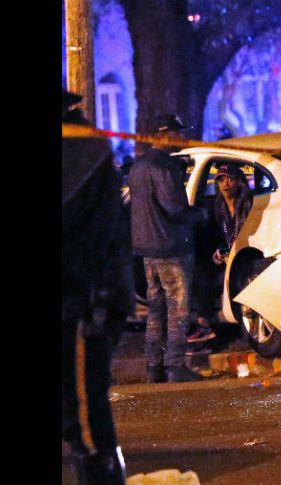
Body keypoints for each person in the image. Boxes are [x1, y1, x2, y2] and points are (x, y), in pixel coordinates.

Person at [62, 89, 132, 484]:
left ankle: (103, 474)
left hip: (79, 303)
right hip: (84, 297)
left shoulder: (80, 151)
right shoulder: (84, 146)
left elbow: (89, 236)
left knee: (83, 415)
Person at [127, 114, 208, 383]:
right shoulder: (165, 167)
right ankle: (175, 367)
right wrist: (201, 215)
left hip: (147, 249)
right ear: (166, 134)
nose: (181, 138)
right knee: (178, 310)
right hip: (171, 247)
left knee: (156, 310)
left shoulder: (137, 167)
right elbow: (175, 209)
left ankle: (153, 368)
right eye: (177, 133)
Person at [188, 164, 253, 343]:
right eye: (221, 179)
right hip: (225, 255)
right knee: (203, 272)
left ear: (239, 182)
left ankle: (248, 329)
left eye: (230, 179)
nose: (225, 184)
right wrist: (217, 253)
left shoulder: (248, 204)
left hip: (244, 254)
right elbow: (214, 235)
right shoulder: (216, 207)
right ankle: (204, 325)